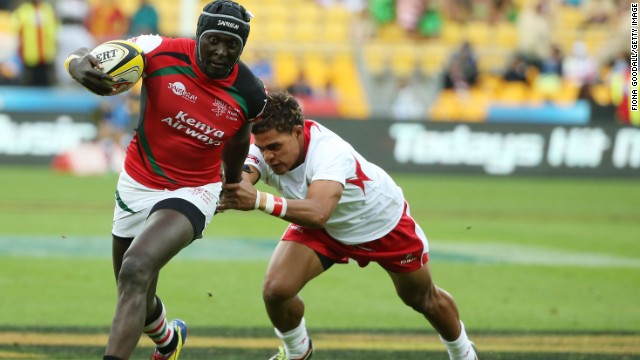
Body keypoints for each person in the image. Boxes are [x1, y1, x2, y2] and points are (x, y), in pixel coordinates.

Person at [64, 1, 267, 359]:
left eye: (232, 45)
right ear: (199, 35)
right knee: (133, 290)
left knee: (137, 268)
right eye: (214, 40)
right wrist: (77, 65)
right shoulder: (158, 50)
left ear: (242, 47)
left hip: (194, 190)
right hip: (137, 183)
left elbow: (239, 137)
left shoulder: (250, 92)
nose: (221, 51)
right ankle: (169, 342)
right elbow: (89, 55)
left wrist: (231, 183)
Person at [218, 91, 478, 360]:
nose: (268, 156)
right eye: (262, 148)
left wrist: (258, 199)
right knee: (276, 290)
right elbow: (242, 181)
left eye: (274, 147)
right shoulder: (263, 147)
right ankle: (298, 352)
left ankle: (464, 353)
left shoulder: (329, 152)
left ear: (297, 132)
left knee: (422, 299)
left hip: (381, 224)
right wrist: (224, 191)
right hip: (325, 227)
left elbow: (318, 211)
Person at [9, 0, 58, 86]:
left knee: (45, 84)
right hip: (29, 56)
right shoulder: (23, 10)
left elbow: (54, 30)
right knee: (29, 84)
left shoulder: (47, 10)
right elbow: (15, 30)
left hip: (46, 56)